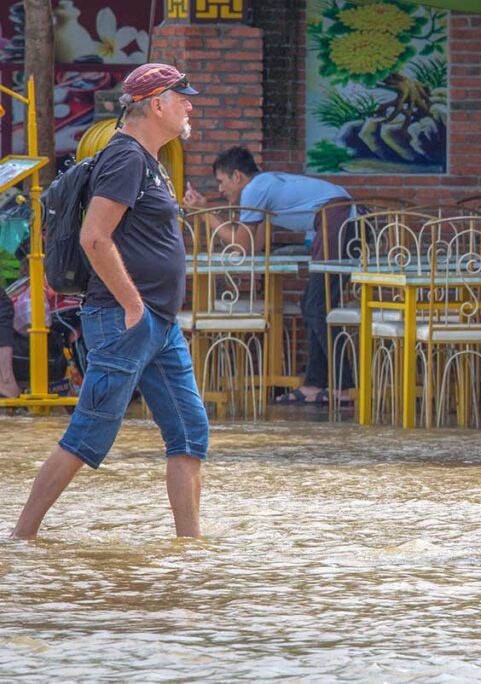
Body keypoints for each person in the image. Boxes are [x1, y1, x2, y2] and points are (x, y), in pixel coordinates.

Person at [11, 63, 206, 539]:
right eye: (183, 98)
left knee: (189, 433)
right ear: (157, 104)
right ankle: (21, 536)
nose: (190, 106)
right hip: (126, 319)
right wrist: (133, 306)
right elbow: (95, 237)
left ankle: (191, 545)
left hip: (158, 324)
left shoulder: (149, 159)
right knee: (89, 434)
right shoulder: (126, 158)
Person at [183, 147, 354, 406]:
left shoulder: (255, 189)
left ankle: (345, 389)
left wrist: (206, 213)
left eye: (221, 182)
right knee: (313, 304)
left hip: (337, 219)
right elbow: (255, 243)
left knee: (318, 306)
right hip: (337, 220)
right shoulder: (262, 187)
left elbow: (240, 245)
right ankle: (314, 384)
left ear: (237, 176)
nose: (220, 190)